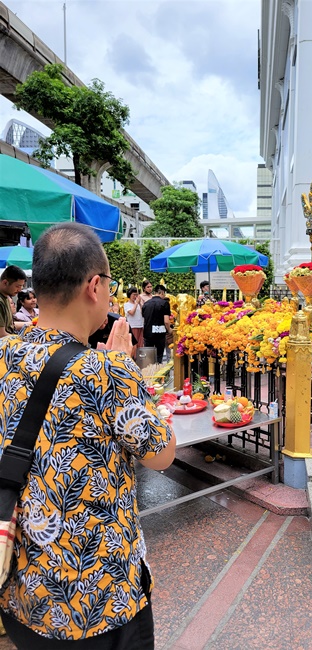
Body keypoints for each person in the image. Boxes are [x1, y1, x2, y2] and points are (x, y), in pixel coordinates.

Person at [0, 222, 176, 648]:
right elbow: (162, 454)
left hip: (23, 590)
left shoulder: (4, 353)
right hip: (99, 601)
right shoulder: (107, 370)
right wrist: (124, 368)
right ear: (94, 286)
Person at [142, 284, 171, 363]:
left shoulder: (146, 304)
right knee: (159, 356)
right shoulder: (165, 303)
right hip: (160, 333)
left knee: (148, 357)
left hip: (148, 333)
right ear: (161, 292)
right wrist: (169, 330)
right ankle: (158, 373)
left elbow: (144, 317)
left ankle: (149, 374)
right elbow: (166, 321)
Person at [0, 265, 26, 337]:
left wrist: (32, 323)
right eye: (18, 286)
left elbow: (10, 326)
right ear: (5, 283)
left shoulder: (6, 298)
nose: (20, 290)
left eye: (21, 286)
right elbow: (1, 334)